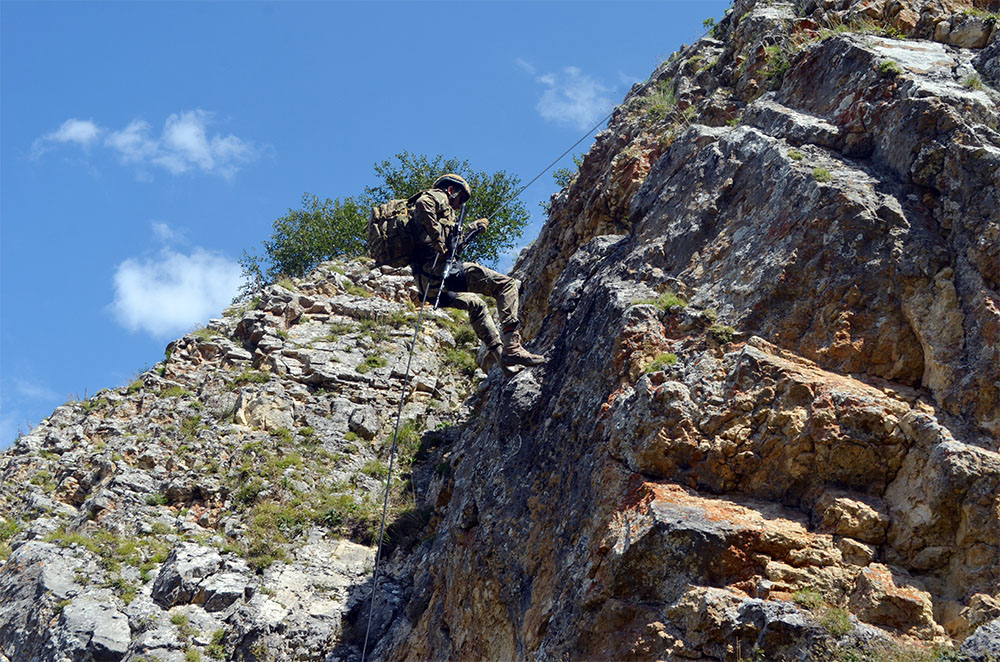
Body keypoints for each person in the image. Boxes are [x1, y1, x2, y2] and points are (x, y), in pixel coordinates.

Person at [409, 173, 545, 372]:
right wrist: (439, 243)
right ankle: (513, 347)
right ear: (451, 190)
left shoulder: (438, 218)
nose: (458, 205)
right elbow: (423, 203)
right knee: (506, 285)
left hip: (427, 283)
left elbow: (453, 244)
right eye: (461, 199)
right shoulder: (438, 196)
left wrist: (473, 228)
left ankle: (502, 360)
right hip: (439, 270)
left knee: (477, 305)